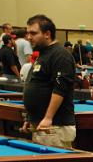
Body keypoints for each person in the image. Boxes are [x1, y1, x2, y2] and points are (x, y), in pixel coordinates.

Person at [21, 14, 76, 148]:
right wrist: (30, 118)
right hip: (42, 125)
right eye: (28, 33)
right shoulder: (43, 54)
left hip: (55, 126)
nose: (29, 37)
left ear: (47, 34)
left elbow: (60, 89)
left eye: (33, 33)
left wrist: (48, 117)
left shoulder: (61, 55)